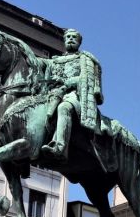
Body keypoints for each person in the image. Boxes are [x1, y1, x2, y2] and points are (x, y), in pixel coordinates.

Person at [41, 28, 104, 161]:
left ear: (79, 42)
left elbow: (87, 79)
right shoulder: (55, 60)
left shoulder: (85, 59)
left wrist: (66, 82)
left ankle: (59, 148)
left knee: (63, 108)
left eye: (74, 37)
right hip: (53, 94)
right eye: (68, 37)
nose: (70, 39)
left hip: (75, 95)